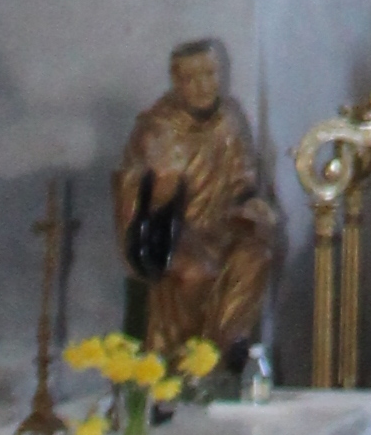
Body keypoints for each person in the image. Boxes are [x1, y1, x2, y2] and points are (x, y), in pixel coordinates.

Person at [112, 38, 283, 372]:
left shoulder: (230, 119)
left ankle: (223, 353)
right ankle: (181, 362)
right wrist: (160, 184)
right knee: (197, 272)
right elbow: (141, 201)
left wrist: (253, 204)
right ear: (178, 83)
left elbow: (242, 179)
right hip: (172, 233)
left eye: (211, 74)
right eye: (193, 78)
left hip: (223, 225)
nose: (205, 85)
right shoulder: (158, 128)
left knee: (256, 256)